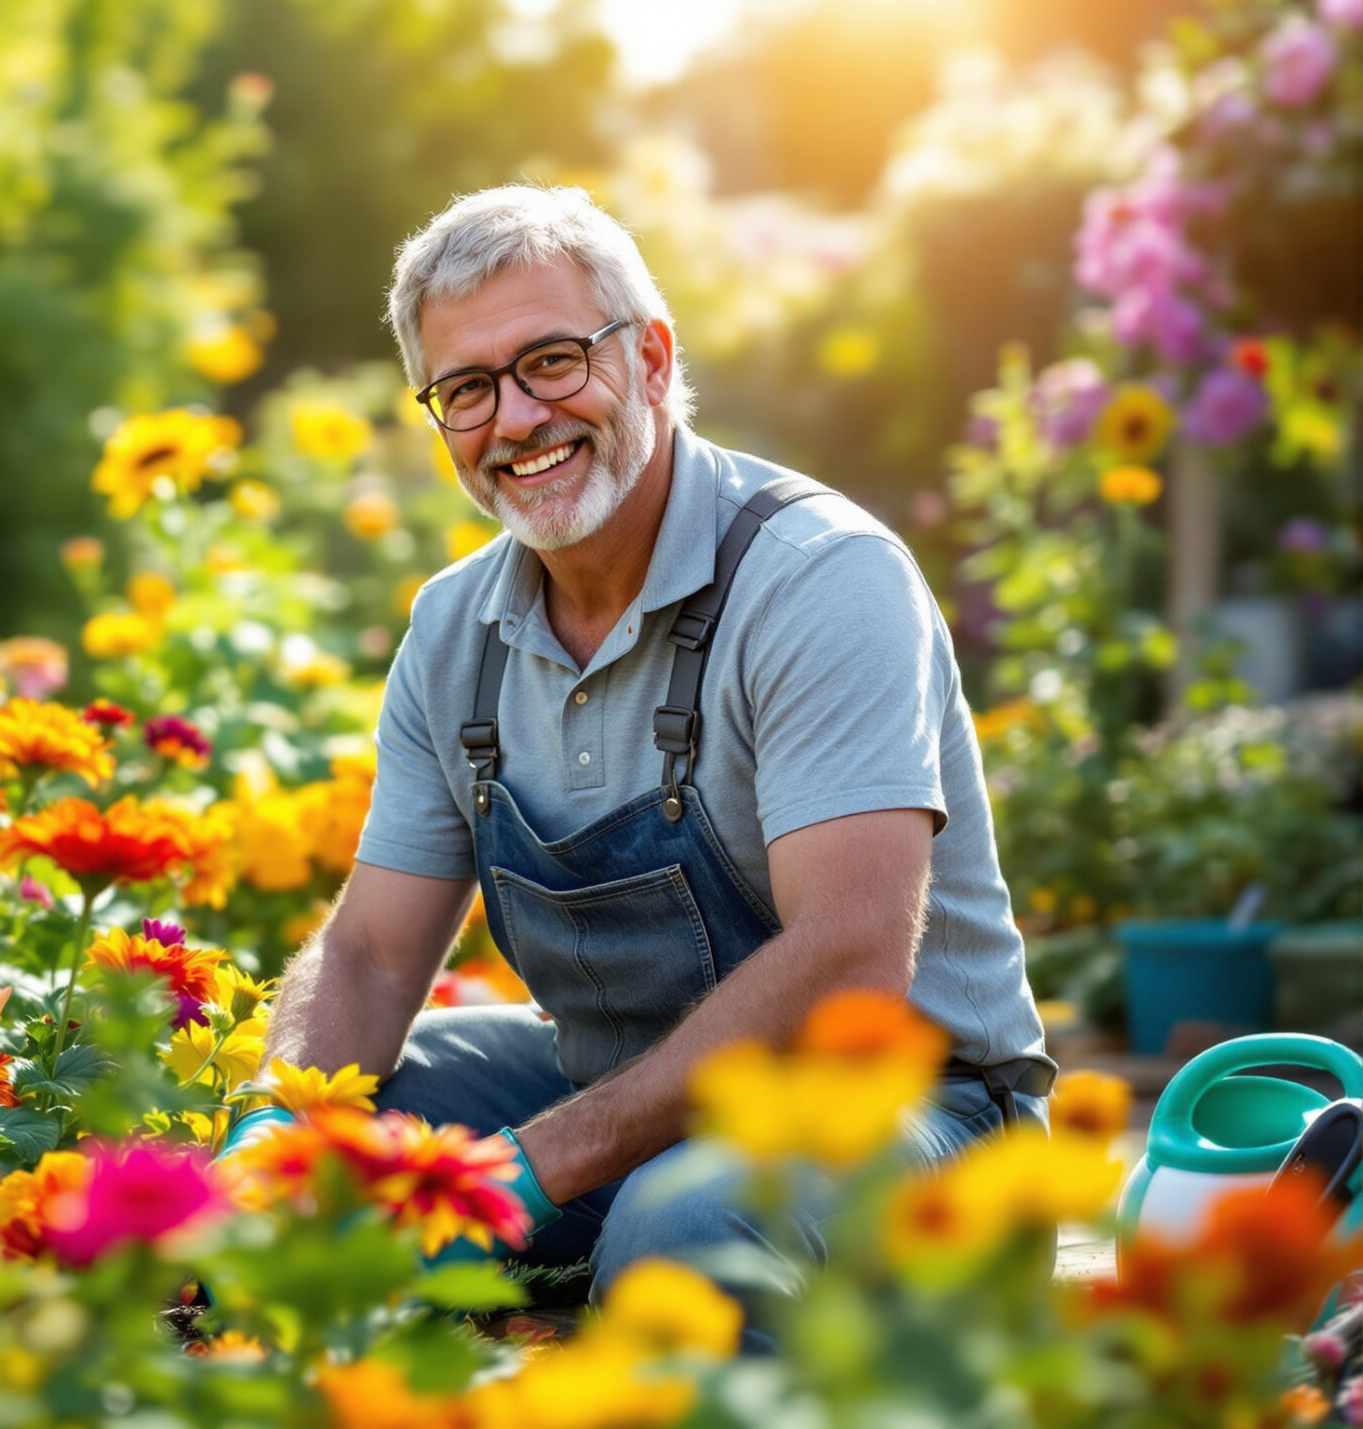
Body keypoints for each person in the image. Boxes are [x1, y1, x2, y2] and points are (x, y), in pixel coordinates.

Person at [248, 185, 1055, 1350]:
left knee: (690, 1226)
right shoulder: (451, 629)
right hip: (629, 1090)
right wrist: (277, 1131)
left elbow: (847, 965)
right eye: (466, 389)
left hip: (899, 1107)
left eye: (552, 361)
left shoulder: (818, 579)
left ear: (653, 357)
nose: (514, 418)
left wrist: (539, 1165)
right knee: (375, 1130)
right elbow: (372, 953)